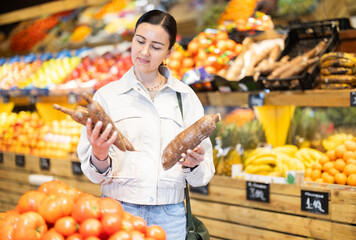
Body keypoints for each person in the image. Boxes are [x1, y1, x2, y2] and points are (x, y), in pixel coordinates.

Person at [77, 9, 215, 240]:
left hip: (170, 217)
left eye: (156, 46)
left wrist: (194, 164)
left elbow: (202, 176)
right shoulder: (107, 96)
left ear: (169, 51)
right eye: (140, 41)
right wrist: (99, 155)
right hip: (119, 212)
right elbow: (94, 175)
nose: (144, 52)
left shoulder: (185, 97)